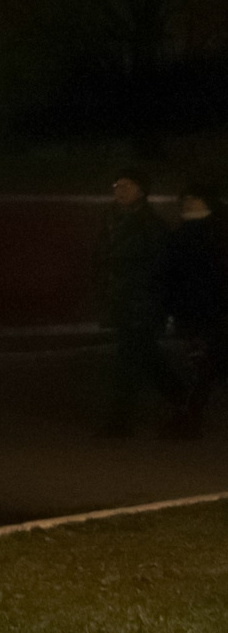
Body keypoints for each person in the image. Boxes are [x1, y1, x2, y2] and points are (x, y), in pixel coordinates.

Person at [94, 169, 182, 438]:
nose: (120, 190)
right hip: (127, 301)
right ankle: (183, 399)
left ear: (141, 191)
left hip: (140, 302)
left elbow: (158, 267)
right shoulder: (115, 220)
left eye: (127, 186)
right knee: (145, 357)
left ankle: (119, 422)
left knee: (128, 361)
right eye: (117, 185)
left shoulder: (148, 225)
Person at [162, 181, 228, 435]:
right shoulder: (184, 231)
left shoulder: (213, 231)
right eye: (186, 198)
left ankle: (188, 420)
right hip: (193, 310)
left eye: (195, 198)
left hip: (211, 310)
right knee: (206, 365)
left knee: (201, 365)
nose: (189, 202)